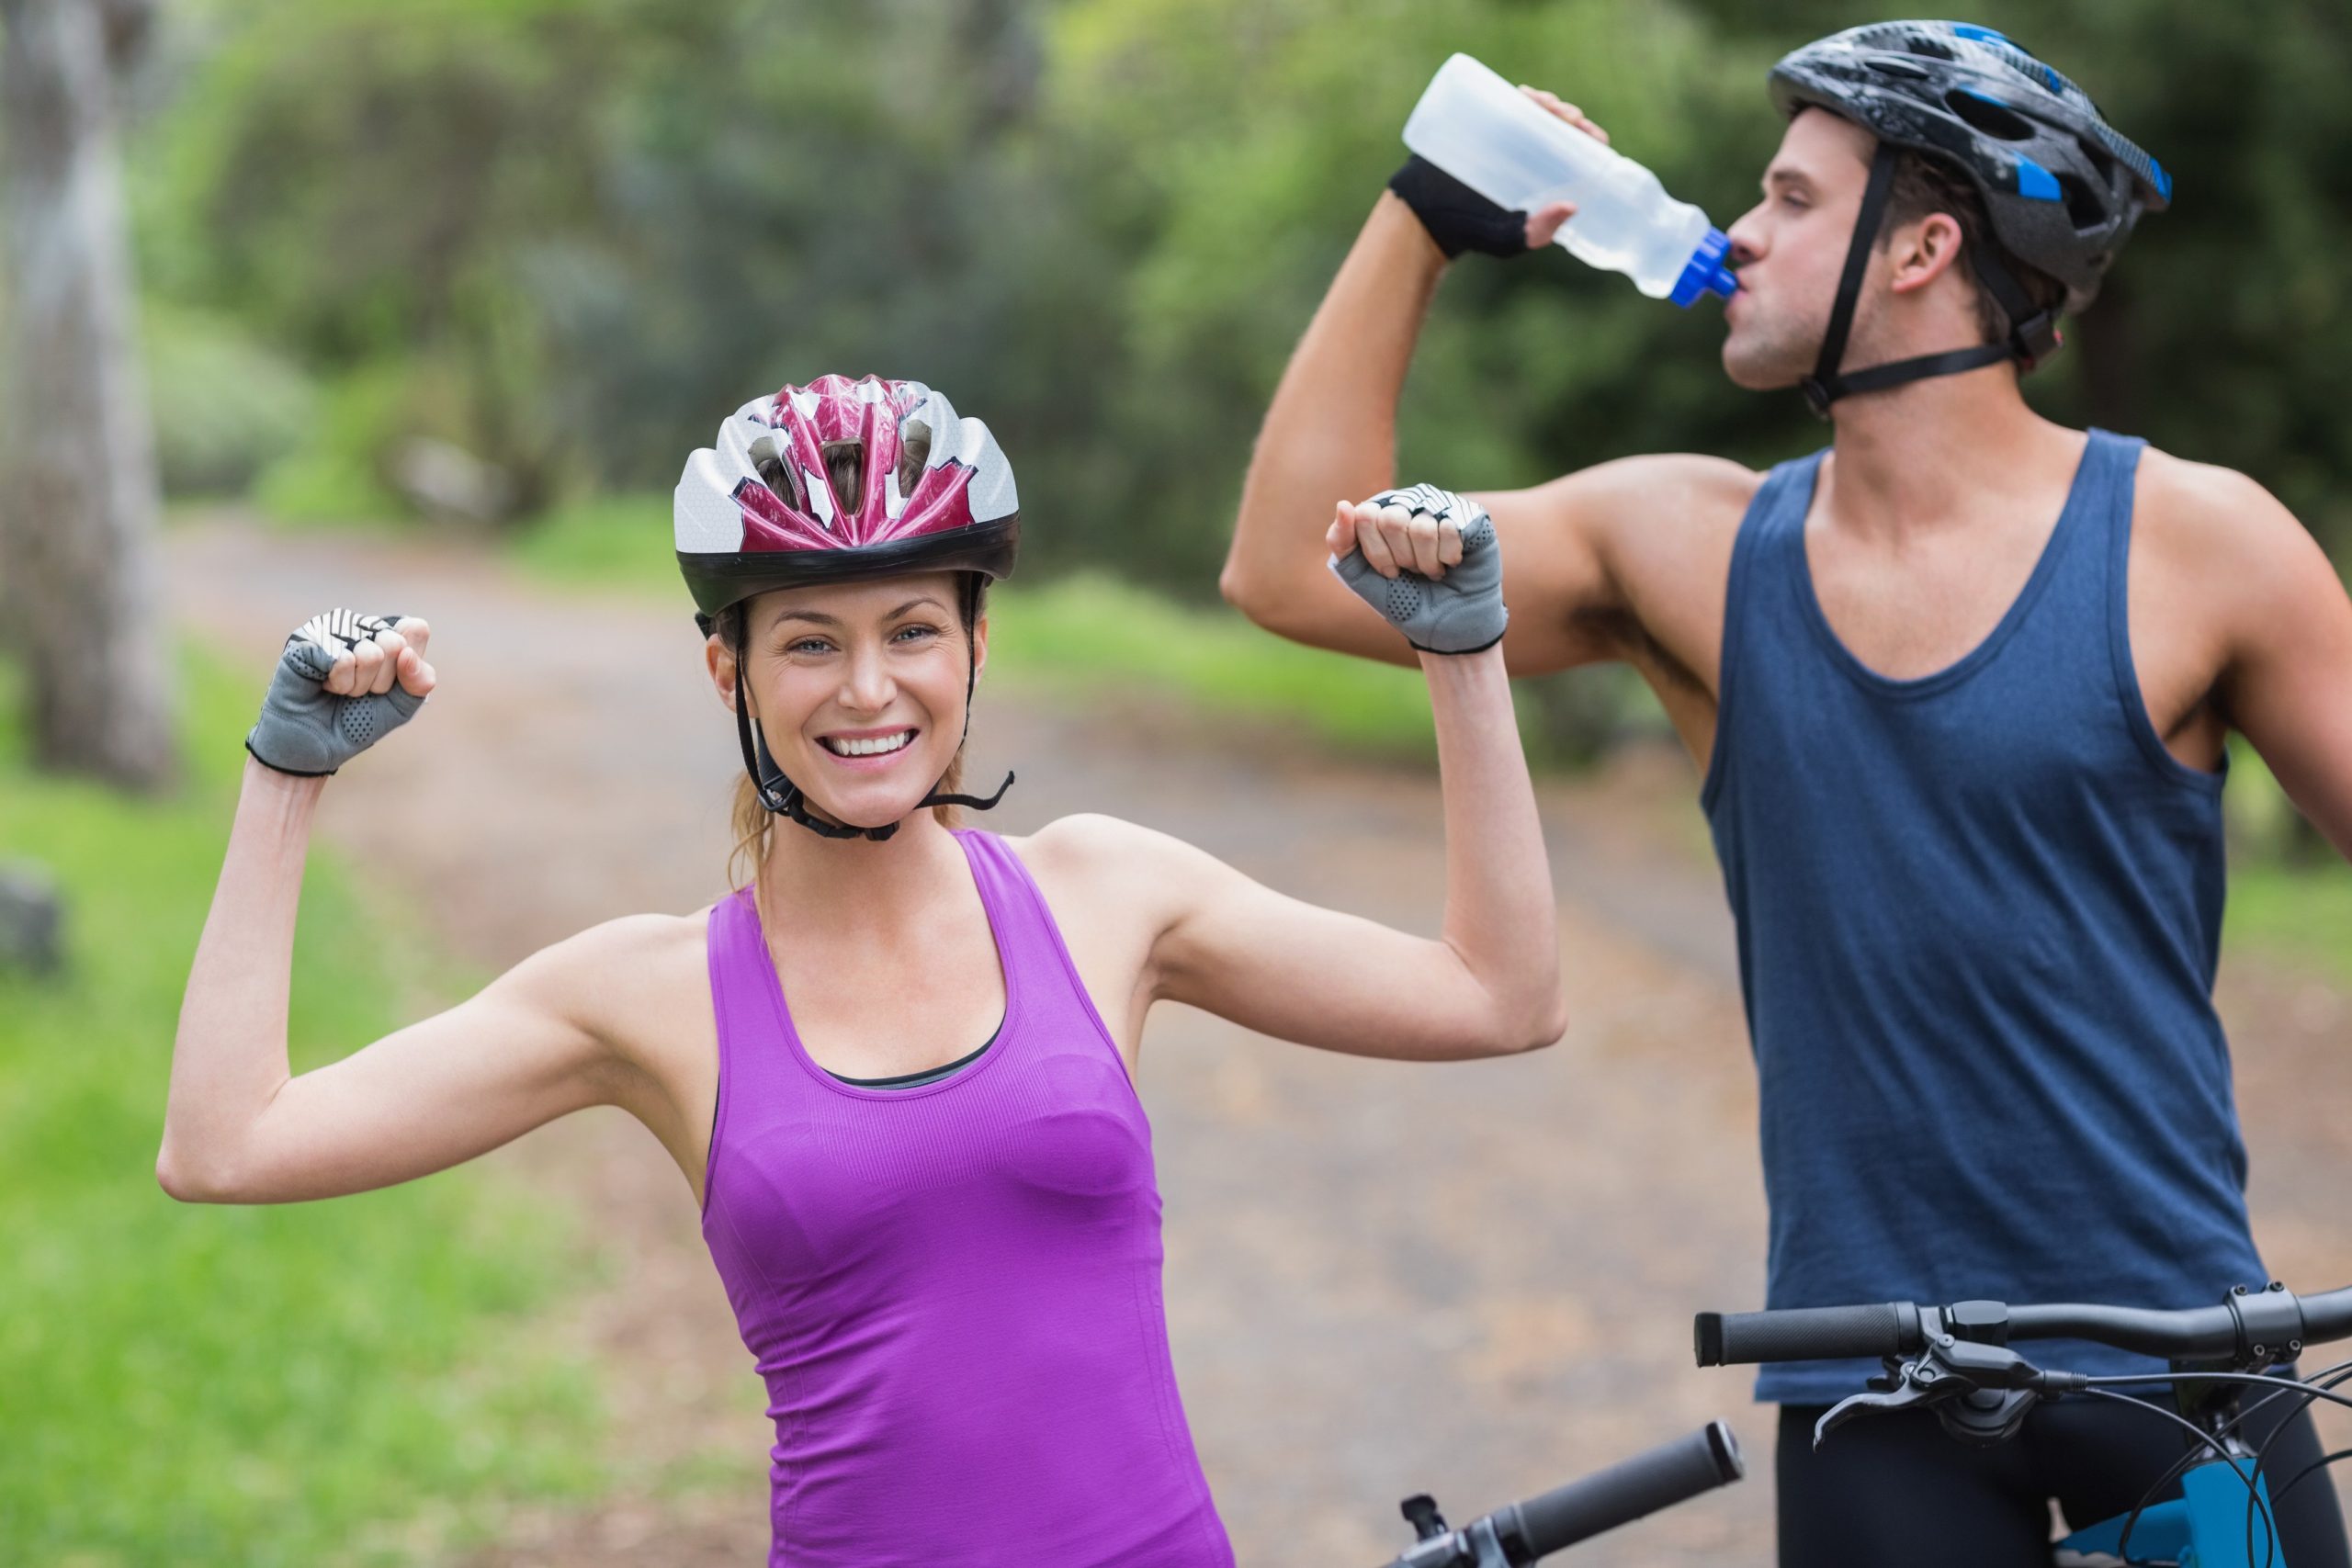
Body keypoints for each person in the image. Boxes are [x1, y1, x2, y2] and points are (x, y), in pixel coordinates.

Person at [1219, 21, 2352, 1566]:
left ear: (1925, 246)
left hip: (2182, 1358)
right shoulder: (1684, 546)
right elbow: (1289, 567)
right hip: (1867, 1384)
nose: (1738, 228)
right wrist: (1421, 217)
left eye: (1794, 198)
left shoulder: (2202, 544)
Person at [160, 373, 1566, 1568]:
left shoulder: (1105, 893)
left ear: (976, 642)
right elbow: (228, 1143)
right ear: (730, 672)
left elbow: (1498, 997)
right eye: (811, 642)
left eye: (910, 631)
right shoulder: (645, 997)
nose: (869, 691)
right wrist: (286, 777)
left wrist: (1464, 659)